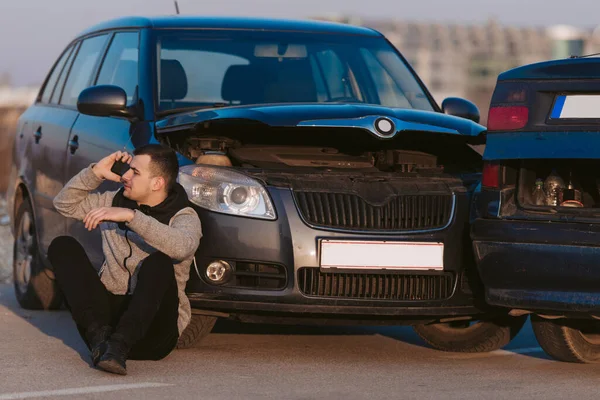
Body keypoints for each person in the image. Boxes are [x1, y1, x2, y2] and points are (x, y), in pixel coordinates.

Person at [48, 144, 202, 375]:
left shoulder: (184, 216)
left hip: (153, 332)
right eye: (128, 169)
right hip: (104, 327)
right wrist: (95, 173)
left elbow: (181, 247)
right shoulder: (113, 201)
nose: (125, 176)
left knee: (159, 262)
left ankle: (119, 345)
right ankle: (103, 341)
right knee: (62, 246)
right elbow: (63, 204)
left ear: (157, 183)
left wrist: (132, 217)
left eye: (135, 172)